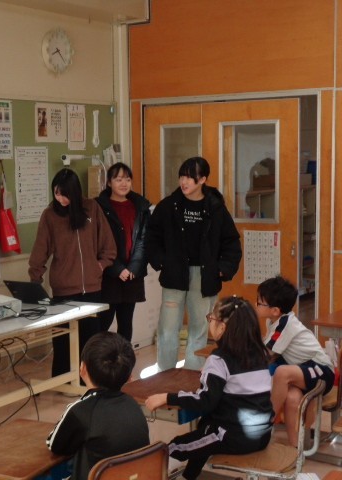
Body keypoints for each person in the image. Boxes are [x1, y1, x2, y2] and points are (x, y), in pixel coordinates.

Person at [145, 296, 273, 480]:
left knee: (173, 448)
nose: (209, 322)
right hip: (262, 435)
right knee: (205, 427)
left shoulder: (219, 359)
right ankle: (188, 476)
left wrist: (166, 397)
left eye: (211, 318)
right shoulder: (260, 354)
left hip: (234, 437)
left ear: (222, 328)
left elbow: (205, 401)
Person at [146, 156, 242, 371]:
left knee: (199, 329)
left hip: (204, 276)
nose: (184, 181)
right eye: (182, 176)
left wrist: (222, 269)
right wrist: (161, 261)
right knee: (167, 329)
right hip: (174, 273)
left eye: (190, 177)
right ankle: (165, 376)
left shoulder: (215, 207)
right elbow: (152, 236)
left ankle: (191, 376)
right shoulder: (168, 205)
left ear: (203, 179)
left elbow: (231, 242)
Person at [29, 168, 116, 377]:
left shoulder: (91, 208)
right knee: (63, 341)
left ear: (75, 192)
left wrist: (100, 266)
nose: (60, 199)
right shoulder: (50, 215)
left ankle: (90, 381)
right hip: (63, 290)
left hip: (91, 289)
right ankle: (63, 380)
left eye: (64, 194)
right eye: (56, 193)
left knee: (90, 342)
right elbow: (40, 250)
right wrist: (35, 281)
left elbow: (108, 244)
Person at [46, 331, 150, 480]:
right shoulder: (133, 404)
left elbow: (55, 446)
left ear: (82, 368)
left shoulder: (81, 411)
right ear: (129, 377)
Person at [257, 275, 335, 447]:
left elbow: (266, 354)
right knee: (292, 397)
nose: (257, 305)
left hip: (322, 371)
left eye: (260, 303)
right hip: (303, 371)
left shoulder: (285, 325)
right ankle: (295, 450)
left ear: (275, 310)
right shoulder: (274, 321)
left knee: (281, 372)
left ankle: (266, 421)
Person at [95, 162, 151, 344]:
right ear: (109, 182)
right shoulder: (99, 207)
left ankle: (123, 359)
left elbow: (143, 240)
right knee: (103, 322)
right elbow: (98, 242)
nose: (124, 183)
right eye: (118, 179)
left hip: (131, 274)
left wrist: (134, 267)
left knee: (126, 323)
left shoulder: (140, 206)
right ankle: (98, 359)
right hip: (108, 273)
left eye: (127, 179)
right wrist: (117, 269)